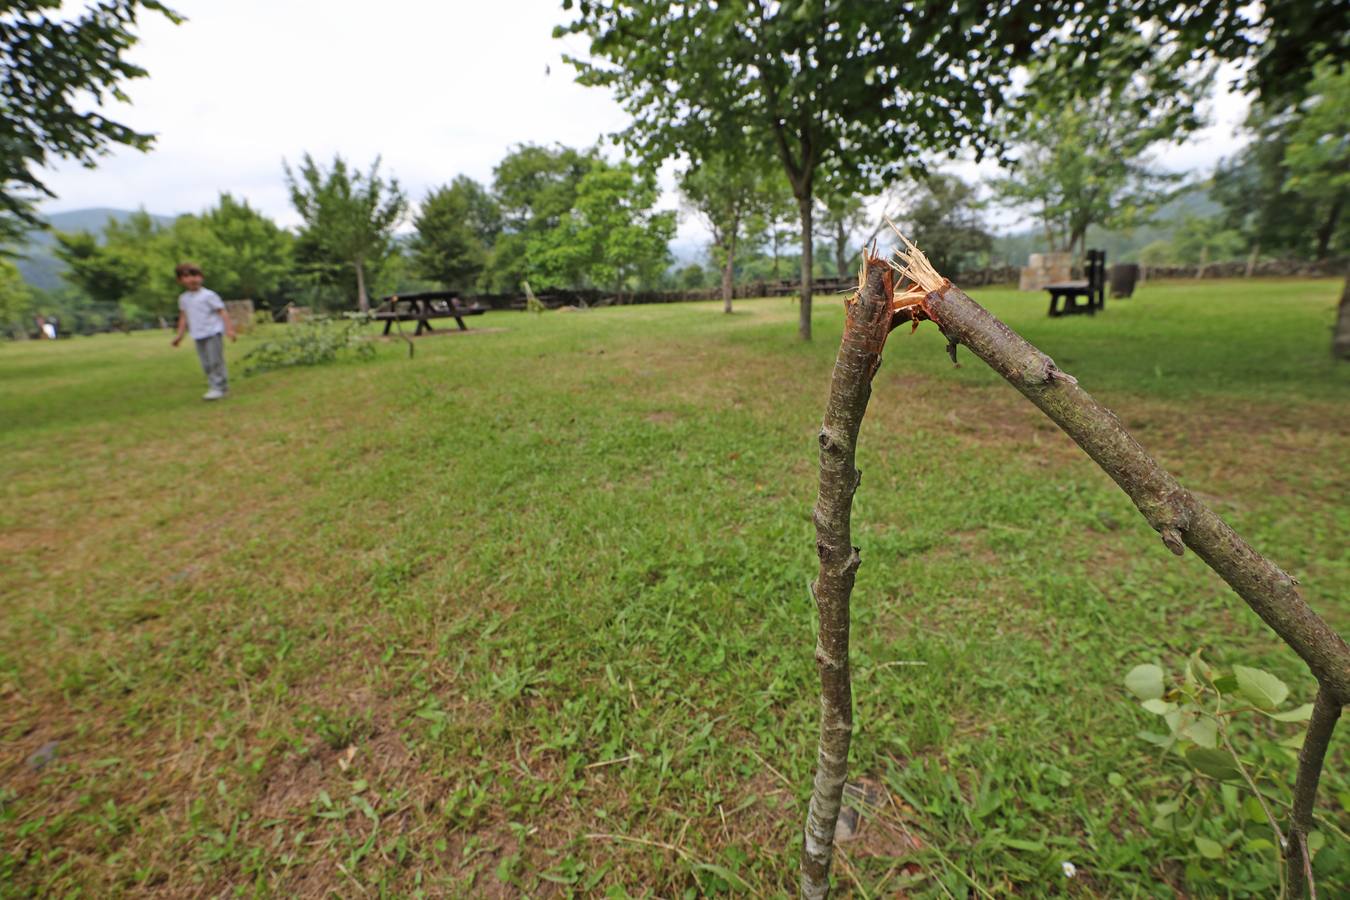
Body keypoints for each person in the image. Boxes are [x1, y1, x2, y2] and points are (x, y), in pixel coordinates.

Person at [170, 262, 236, 400]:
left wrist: (229, 329)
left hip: (213, 332)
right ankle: (216, 386)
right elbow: (184, 317)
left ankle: (219, 387)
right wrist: (179, 336)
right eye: (187, 276)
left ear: (201, 277)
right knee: (206, 363)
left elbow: (222, 312)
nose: (192, 279)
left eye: (195, 275)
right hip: (198, 335)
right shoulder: (184, 299)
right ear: (180, 280)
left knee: (215, 361)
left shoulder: (208, 295)